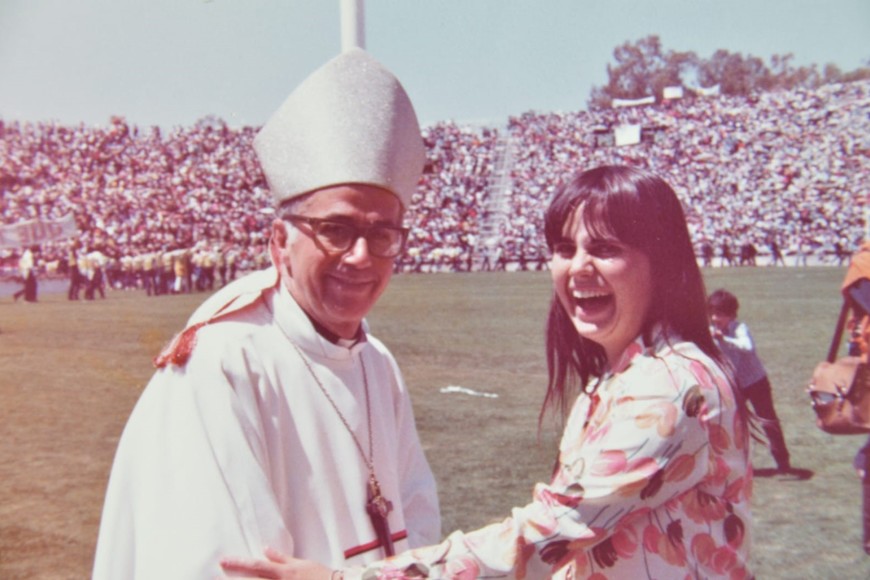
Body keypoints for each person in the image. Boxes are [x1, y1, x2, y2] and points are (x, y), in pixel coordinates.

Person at [221, 165, 753, 579]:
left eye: (606, 249)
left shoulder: (668, 386)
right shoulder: (625, 375)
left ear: (661, 263)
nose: (578, 267)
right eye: (565, 249)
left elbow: (543, 536)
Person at [93, 48, 441, 579]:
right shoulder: (224, 362)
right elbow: (224, 561)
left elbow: (416, 516)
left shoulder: (378, 362)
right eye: (336, 229)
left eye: (383, 233)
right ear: (280, 242)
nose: (361, 257)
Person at [708, 289, 791, 473]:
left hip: (756, 382)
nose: (715, 318)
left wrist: (725, 339)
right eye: (712, 314)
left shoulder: (739, 329)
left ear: (731, 315)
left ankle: (783, 461)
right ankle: (731, 464)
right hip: (736, 385)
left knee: (768, 420)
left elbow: (748, 347)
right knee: (729, 422)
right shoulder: (711, 332)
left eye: (720, 314)